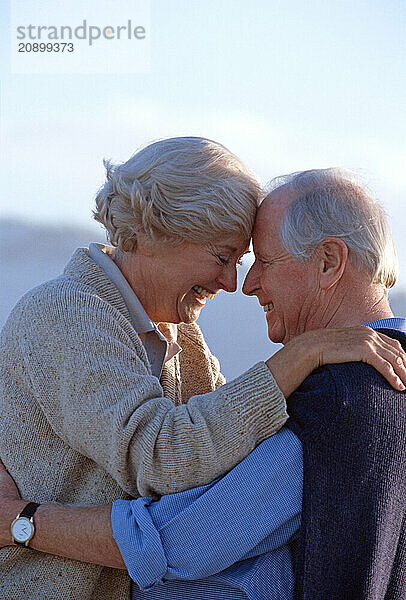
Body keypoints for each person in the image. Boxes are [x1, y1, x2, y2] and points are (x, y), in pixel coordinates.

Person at [1, 157, 405, 600]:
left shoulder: (338, 387)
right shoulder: (68, 312)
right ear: (154, 234)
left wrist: (24, 520)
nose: (238, 283)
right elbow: (179, 458)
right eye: (223, 256)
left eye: (255, 260)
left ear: (329, 263)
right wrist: (302, 354)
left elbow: (205, 509)